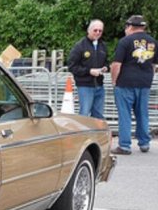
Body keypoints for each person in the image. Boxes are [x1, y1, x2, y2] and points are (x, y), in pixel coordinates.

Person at [111, 15, 158, 154]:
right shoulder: (153, 42)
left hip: (125, 82)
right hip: (144, 83)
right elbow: (154, 65)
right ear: (143, 27)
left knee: (125, 114)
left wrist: (114, 81)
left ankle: (124, 145)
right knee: (142, 113)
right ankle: (144, 143)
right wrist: (148, 79)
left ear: (129, 27)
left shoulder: (125, 42)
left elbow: (116, 65)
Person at [67, 19, 108, 118]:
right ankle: (83, 133)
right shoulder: (79, 46)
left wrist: (106, 67)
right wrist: (89, 71)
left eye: (100, 31)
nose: (98, 33)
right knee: (84, 113)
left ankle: (96, 133)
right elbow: (72, 66)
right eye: (95, 30)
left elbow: (106, 61)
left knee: (98, 114)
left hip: (99, 84)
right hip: (85, 85)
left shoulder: (103, 46)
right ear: (89, 30)